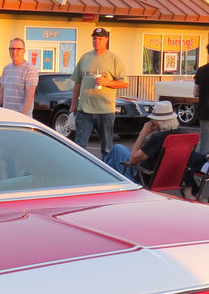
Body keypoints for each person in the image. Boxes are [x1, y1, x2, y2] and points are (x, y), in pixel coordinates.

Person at [68, 27, 127, 159]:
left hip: (105, 111)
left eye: (100, 38)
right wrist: (73, 104)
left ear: (106, 40)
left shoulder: (114, 59)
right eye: (94, 38)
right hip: (84, 110)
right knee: (79, 147)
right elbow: (77, 82)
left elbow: (124, 83)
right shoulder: (85, 57)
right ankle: (79, 175)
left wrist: (107, 82)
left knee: (107, 148)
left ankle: (108, 175)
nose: (97, 41)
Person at [102, 101, 185, 181]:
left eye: (153, 119)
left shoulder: (158, 138)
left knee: (116, 150)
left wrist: (143, 133)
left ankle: (102, 178)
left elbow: (133, 160)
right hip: (169, 176)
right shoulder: (183, 134)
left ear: (158, 121)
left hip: (144, 176)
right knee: (113, 159)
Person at [0, 37, 37, 117]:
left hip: (21, 120)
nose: (14, 52)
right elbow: (1, 93)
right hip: (6, 117)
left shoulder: (30, 70)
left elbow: (30, 96)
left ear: (24, 51)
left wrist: (22, 117)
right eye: (12, 49)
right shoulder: (6, 69)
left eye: (18, 49)